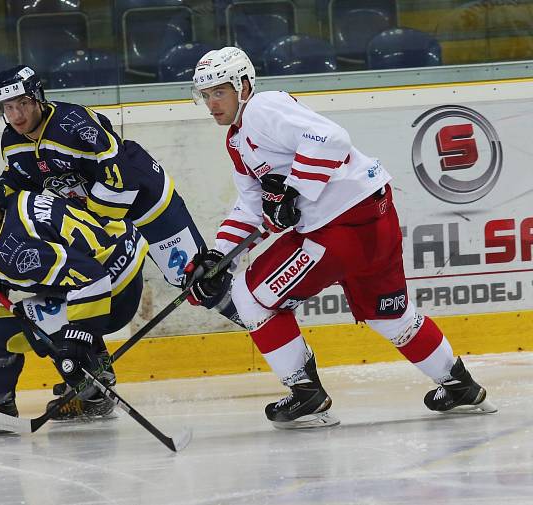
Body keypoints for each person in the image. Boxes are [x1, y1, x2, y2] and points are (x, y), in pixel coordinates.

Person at [184, 46, 497, 429]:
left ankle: (305, 394)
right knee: (391, 315)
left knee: (251, 298)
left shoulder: (262, 109)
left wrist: (293, 190)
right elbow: (252, 205)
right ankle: (460, 385)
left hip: (338, 228)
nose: (212, 103)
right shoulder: (237, 140)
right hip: (372, 217)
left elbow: (331, 138)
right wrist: (219, 256)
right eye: (206, 95)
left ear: (243, 85)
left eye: (220, 92)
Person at [0, 65, 247, 323]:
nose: (16, 115)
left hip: (147, 203)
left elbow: (120, 177)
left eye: (22, 103)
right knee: (86, 284)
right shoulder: (11, 142)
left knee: (199, 281)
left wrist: (95, 226)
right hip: (103, 219)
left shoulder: (74, 125)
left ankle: (257, 321)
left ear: (38, 97)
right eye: (8, 107)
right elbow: (19, 185)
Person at [0, 168, 148, 435]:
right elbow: (55, 255)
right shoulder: (17, 200)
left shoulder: (14, 253)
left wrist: (79, 336)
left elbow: (90, 278)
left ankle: (1, 407)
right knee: (58, 300)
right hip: (124, 267)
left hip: (111, 294)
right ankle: (95, 379)